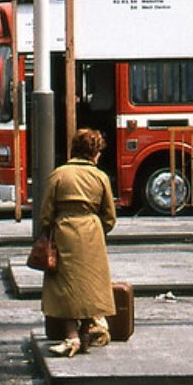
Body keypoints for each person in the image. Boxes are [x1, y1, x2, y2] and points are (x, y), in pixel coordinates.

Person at [38, 128, 117, 357]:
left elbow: (45, 213)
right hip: (92, 232)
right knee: (89, 285)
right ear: (95, 152)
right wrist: (98, 230)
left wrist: (50, 231)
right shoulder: (100, 176)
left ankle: (72, 336)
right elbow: (109, 216)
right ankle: (88, 329)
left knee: (65, 286)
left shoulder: (59, 174)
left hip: (64, 231)